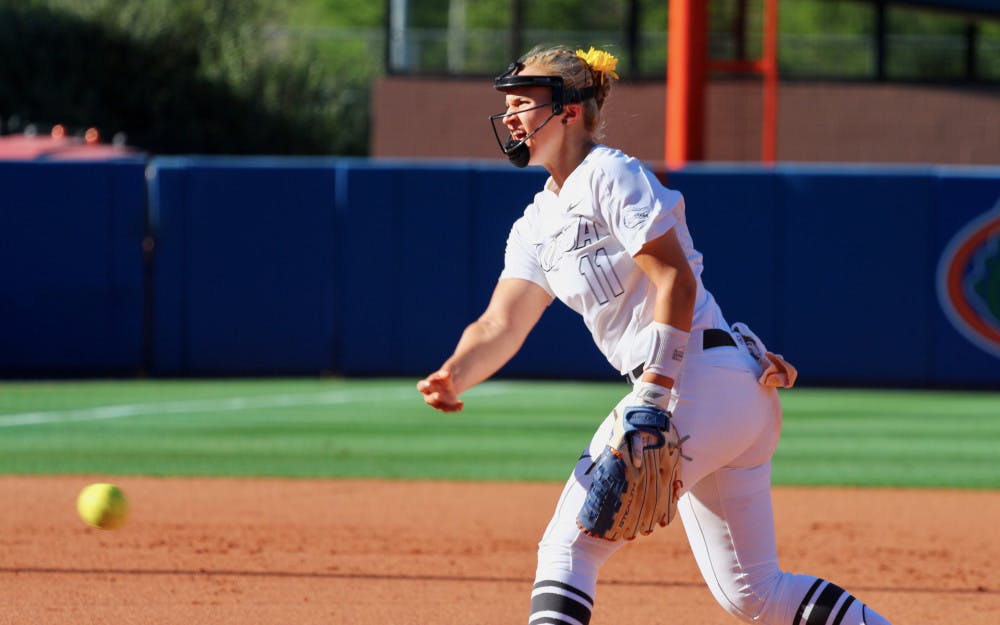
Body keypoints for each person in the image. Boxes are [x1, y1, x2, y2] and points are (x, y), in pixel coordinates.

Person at [417, 44, 892, 625]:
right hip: (722, 393)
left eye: (523, 103)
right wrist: (456, 372)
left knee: (569, 548)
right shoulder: (535, 224)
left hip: (690, 381)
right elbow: (500, 322)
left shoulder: (610, 172)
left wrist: (654, 398)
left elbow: (675, 278)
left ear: (568, 109)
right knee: (754, 594)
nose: (510, 116)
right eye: (508, 105)